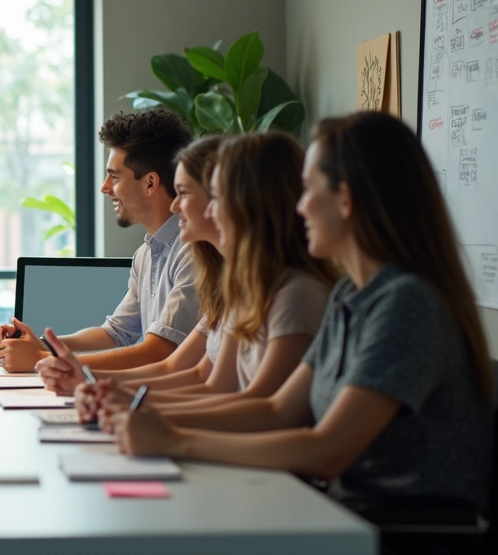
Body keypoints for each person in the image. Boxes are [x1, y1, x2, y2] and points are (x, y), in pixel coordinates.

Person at [104, 112, 494, 525]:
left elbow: (327, 450)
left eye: (308, 189)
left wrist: (175, 439)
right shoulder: (351, 295)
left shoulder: (407, 303)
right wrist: (147, 416)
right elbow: (279, 411)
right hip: (346, 516)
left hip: (400, 532)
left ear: (346, 200)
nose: (300, 205)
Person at [66, 132, 337, 410]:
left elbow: (264, 409)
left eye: (186, 193)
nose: (175, 205)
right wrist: (105, 391)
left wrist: (139, 412)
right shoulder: (241, 286)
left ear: (245, 201)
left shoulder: (294, 293)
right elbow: (206, 380)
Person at [0, 108, 196, 374]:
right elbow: (116, 333)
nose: (105, 187)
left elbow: (159, 351)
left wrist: (40, 358)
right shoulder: (145, 254)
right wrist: (42, 345)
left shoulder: (193, 252)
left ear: (150, 183)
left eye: (114, 177)